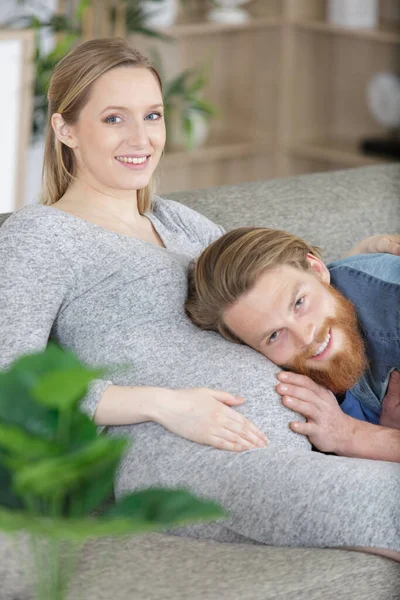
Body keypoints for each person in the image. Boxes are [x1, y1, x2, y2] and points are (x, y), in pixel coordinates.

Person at [1, 37, 399, 561]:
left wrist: (358, 256)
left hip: (300, 441)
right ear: (65, 129)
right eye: (114, 119)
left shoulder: (178, 220)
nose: (141, 137)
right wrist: (163, 405)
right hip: (198, 455)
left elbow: (269, 291)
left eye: (152, 115)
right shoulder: (41, 233)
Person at [185, 226, 400, 462]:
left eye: (299, 303)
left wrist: (352, 435)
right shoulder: (314, 381)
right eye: (274, 335)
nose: (305, 337)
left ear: (318, 270)